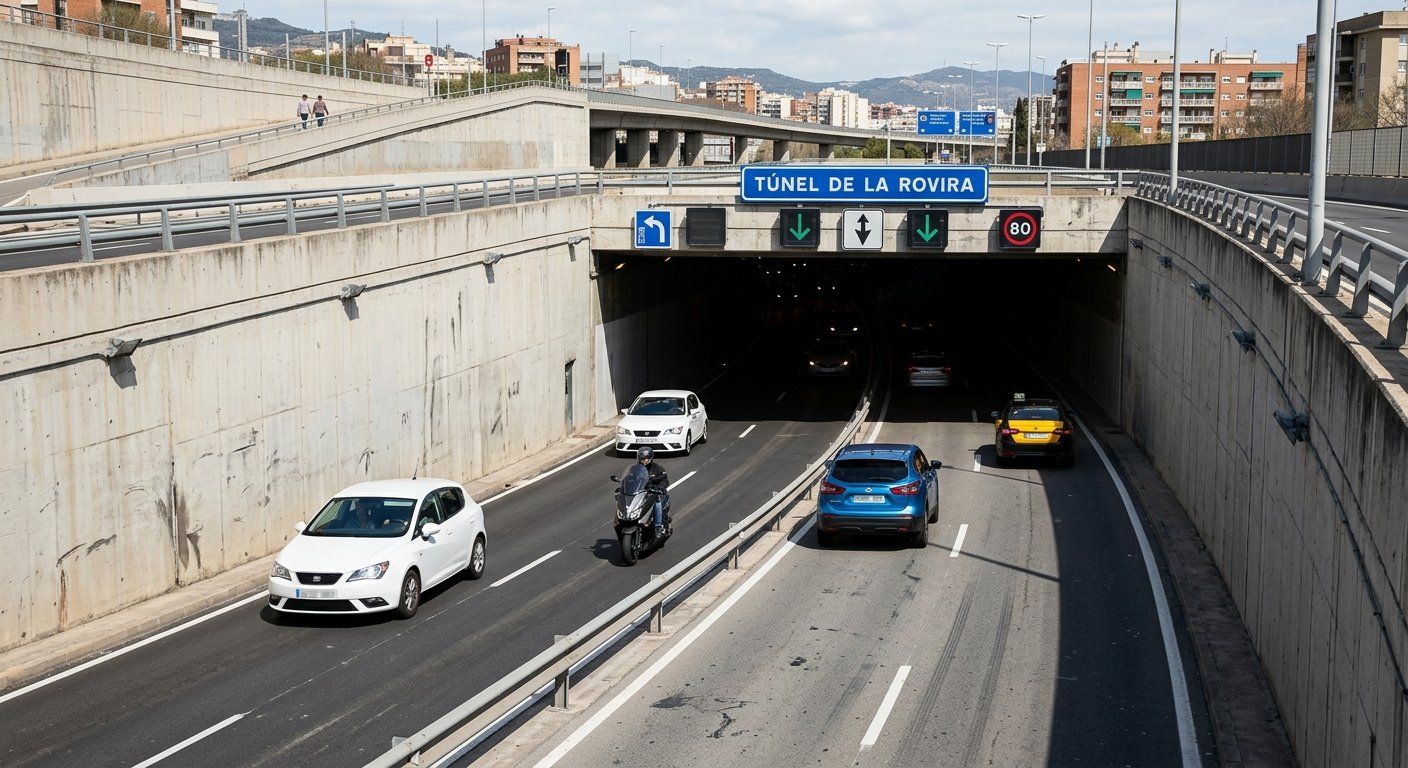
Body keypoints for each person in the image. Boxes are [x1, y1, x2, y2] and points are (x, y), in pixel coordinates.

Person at [634, 447, 669, 536]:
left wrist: (659, 488)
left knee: (657, 502)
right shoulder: (635, 469)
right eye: (642, 459)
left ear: (651, 458)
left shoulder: (658, 469)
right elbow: (629, 479)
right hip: (640, 493)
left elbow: (664, 481)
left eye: (646, 459)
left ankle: (658, 526)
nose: (644, 461)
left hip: (653, 493)